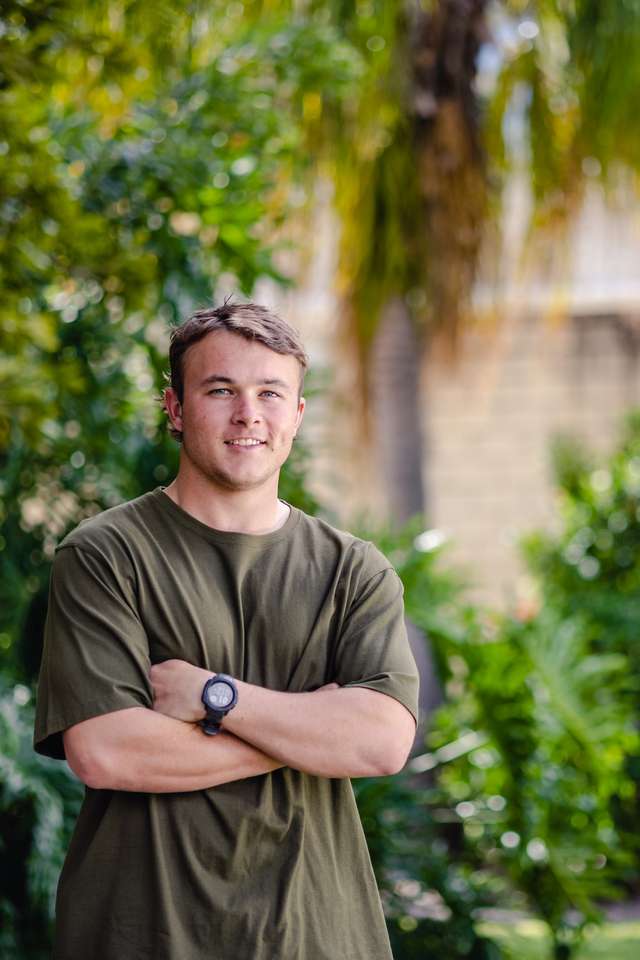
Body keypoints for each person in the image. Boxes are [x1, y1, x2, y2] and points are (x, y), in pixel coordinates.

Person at [34, 301, 420, 960]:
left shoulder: (352, 570)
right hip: (142, 933)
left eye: (271, 393)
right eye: (221, 390)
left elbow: (381, 743)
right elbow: (106, 752)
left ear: (296, 416)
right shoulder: (105, 555)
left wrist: (217, 699)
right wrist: (306, 734)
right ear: (175, 408)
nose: (249, 414)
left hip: (318, 935)